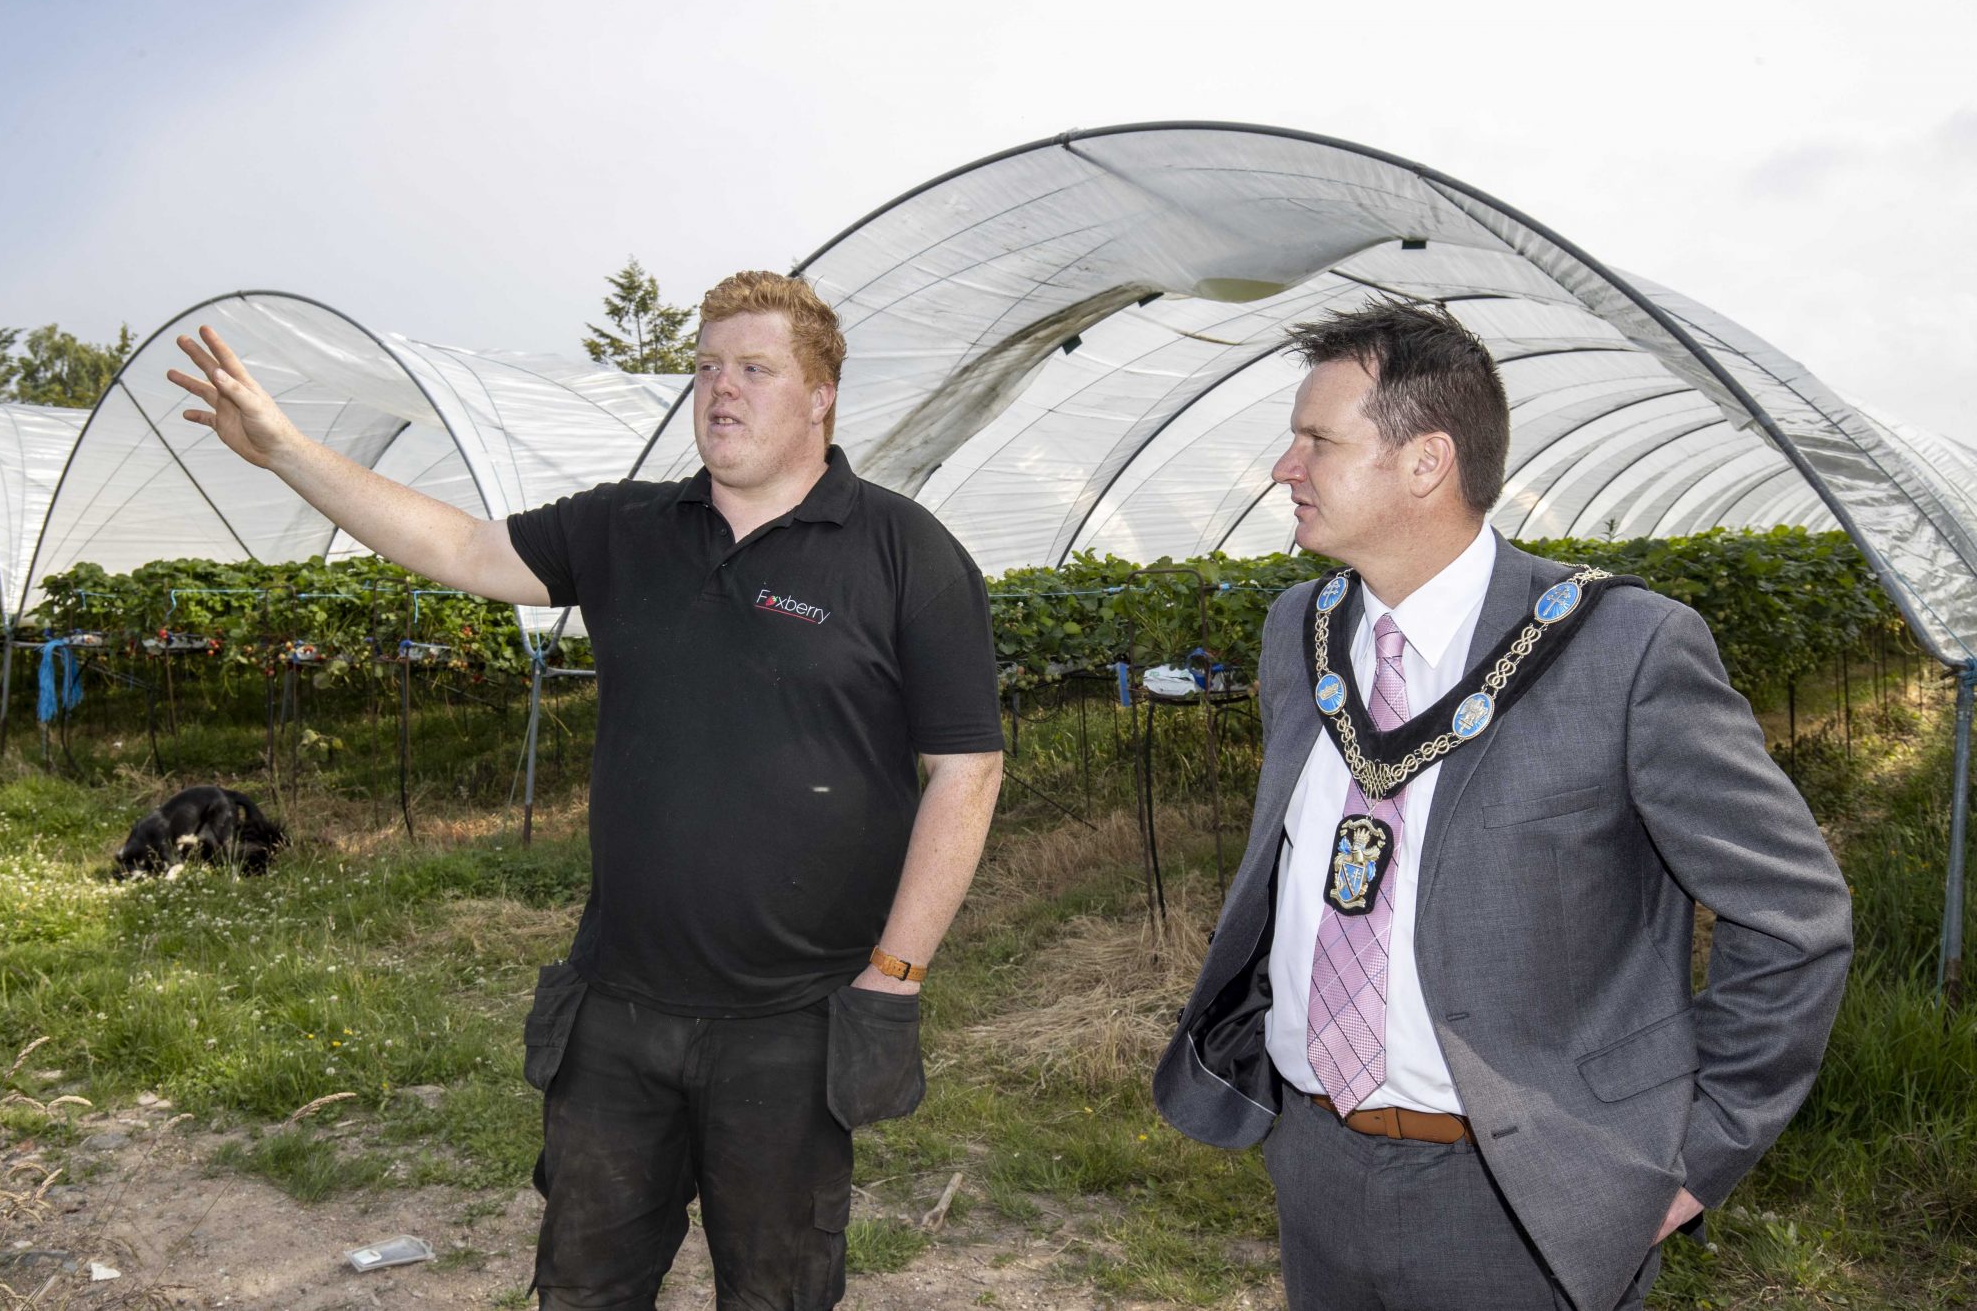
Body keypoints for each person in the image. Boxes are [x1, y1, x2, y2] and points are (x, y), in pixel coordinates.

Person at [169, 270, 1005, 1310]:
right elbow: (462, 546)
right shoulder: (626, 529)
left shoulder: (901, 552)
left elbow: (965, 769)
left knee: (779, 1292)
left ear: (821, 394)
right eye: (704, 368)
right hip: (616, 1013)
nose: (720, 391)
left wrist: (895, 974)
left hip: (795, 1021)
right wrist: (285, 449)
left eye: (753, 369)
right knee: (583, 1285)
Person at [1152, 299, 1852, 1311]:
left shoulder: (1622, 649)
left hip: (1522, 1198)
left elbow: (1793, 917)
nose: (1282, 468)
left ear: (1424, 463)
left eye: (1316, 440)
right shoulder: (1295, 629)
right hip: (1313, 1164)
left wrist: (1695, 1156)